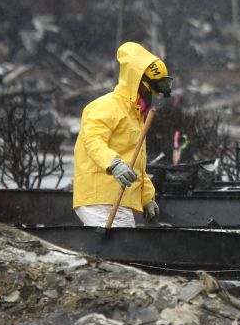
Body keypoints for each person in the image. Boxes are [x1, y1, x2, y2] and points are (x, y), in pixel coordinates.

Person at [72, 41, 171, 227]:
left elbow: (136, 163)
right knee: (116, 250)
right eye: (152, 91)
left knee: (122, 251)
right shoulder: (106, 106)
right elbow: (93, 141)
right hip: (98, 199)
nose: (154, 97)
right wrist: (114, 164)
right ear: (138, 83)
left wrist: (147, 197)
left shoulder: (136, 116)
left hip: (119, 200)